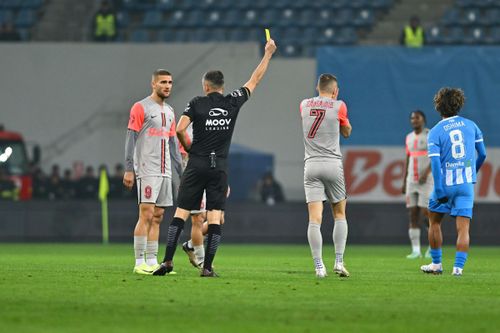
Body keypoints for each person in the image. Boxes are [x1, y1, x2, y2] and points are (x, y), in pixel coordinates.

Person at [153, 39, 277, 277]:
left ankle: (167, 262)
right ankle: (207, 268)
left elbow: (179, 128)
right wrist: (268, 54)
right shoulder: (233, 102)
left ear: (206, 86)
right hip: (218, 166)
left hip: (196, 163)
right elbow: (255, 80)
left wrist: (189, 148)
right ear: (222, 86)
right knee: (215, 218)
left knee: (181, 214)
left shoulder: (197, 103)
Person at [420, 88, 486, 276]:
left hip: (445, 185)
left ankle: (436, 264)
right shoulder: (471, 125)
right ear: (459, 104)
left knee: (434, 222)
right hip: (466, 186)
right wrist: (472, 172)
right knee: (463, 229)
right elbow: (482, 154)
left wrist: (439, 188)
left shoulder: (435, 132)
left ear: (438, 106)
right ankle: (458, 269)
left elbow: (434, 163)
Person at [123, 69, 183, 275]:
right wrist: (129, 169)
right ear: (153, 84)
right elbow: (130, 139)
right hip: (147, 169)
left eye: (170, 82)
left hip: (165, 171)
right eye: (163, 82)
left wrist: (181, 173)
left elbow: (173, 144)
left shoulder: (171, 111)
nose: (167, 86)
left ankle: (152, 260)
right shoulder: (141, 107)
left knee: (158, 216)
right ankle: (139, 262)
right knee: (146, 214)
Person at [300, 73, 352, 278]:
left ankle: (318, 266)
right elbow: (346, 132)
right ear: (335, 91)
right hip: (332, 164)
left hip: (311, 164)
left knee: (315, 218)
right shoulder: (339, 106)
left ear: (317, 87)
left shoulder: (303, 105)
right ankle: (339, 261)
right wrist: (345, 124)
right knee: (339, 213)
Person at [402, 110, 432, 259]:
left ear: (423, 120)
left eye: (417, 118)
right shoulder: (408, 137)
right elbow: (408, 159)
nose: (414, 120)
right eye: (412, 118)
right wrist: (404, 180)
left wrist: (426, 173)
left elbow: (435, 157)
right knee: (412, 215)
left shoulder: (430, 135)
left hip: (427, 181)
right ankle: (416, 250)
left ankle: (432, 247)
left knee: (427, 214)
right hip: (411, 182)